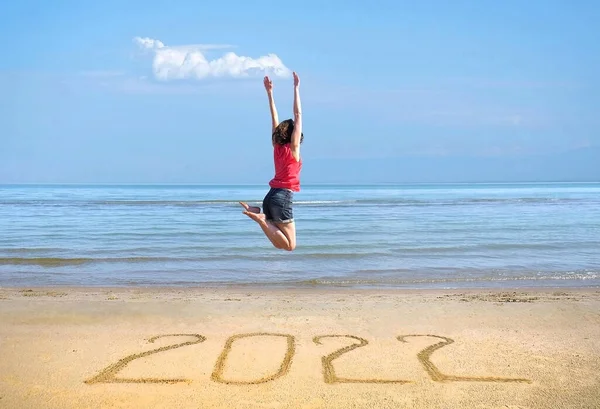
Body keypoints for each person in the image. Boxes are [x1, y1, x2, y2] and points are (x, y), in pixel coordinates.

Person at [239, 72, 303, 251]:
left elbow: (274, 119)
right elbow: (298, 114)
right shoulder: (293, 149)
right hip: (282, 197)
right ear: (293, 135)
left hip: (271, 196)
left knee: (282, 245)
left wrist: (270, 93)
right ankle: (261, 219)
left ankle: (261, 214)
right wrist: (296, 88)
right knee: (290, 246)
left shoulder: (276, 147)